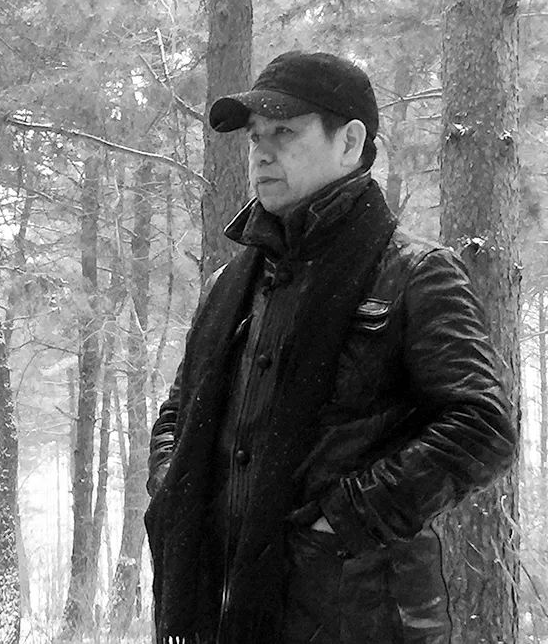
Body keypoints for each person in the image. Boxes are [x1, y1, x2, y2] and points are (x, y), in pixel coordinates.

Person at [144, 50, 517, 644]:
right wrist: (171, 483)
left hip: (361, 617)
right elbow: (178, 411)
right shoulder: (230, 285)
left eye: (284, 132)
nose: (260, 153)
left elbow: (482, 426)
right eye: (255, 137)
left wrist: (341, 521)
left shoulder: (415, 274)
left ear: (350, 142)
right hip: (222, 612)